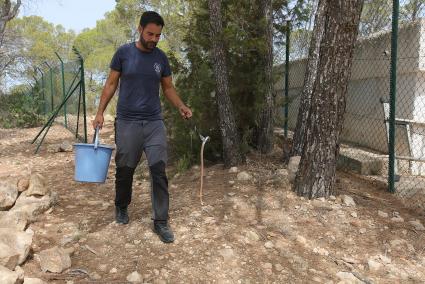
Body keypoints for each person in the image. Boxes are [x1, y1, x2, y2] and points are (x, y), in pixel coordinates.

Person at [92, 11, 192, 243]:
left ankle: (161, 221)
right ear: (139, 29)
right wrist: (100, 113)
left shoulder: (161, 59)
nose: (154, 39)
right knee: (125, 168)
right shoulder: (124, 54)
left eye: (158, 35)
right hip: (127, 121)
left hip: (154, 123)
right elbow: (111, 84)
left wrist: (181, 106)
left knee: (159, 169)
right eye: (150, 34)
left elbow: (167, 88)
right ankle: (121, 205)